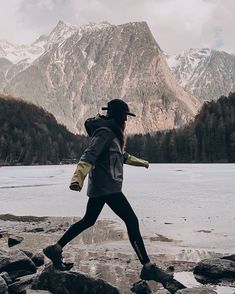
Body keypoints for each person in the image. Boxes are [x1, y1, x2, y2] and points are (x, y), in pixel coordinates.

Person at [43, 99, 173, 284]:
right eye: (124, 116)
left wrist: (141, 163)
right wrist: (77, 178)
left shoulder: (114, 132)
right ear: (116, 115)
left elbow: (120, 155)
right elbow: (89, 154)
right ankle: (147, 267)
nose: (126, 120)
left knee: (88, 220)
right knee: (131, 220)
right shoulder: (105, 132)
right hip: (107, 188)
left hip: (104, 187)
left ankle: (55, 249)